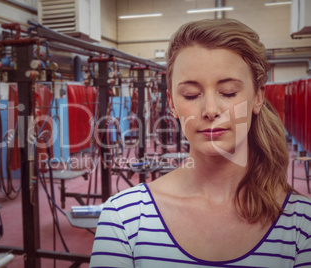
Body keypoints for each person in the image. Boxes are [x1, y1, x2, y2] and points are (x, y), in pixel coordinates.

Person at [90, 19, 311, 267]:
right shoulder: (124, 217)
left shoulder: (301, 224)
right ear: (172, 104)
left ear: (258, 97)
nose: (210, 110)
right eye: (191, 95)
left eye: (228, 92)